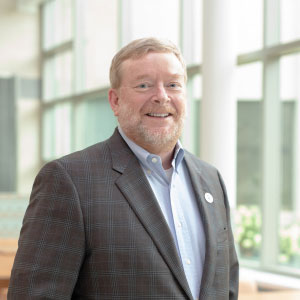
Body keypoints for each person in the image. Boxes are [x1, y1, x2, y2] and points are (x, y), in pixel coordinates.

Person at [8, 37, 239, 300]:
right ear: (115, 101)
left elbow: (227, 286)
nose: (161, 96)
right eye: (144, 85)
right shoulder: (69, 180)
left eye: (173, 85)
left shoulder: (211, 179)